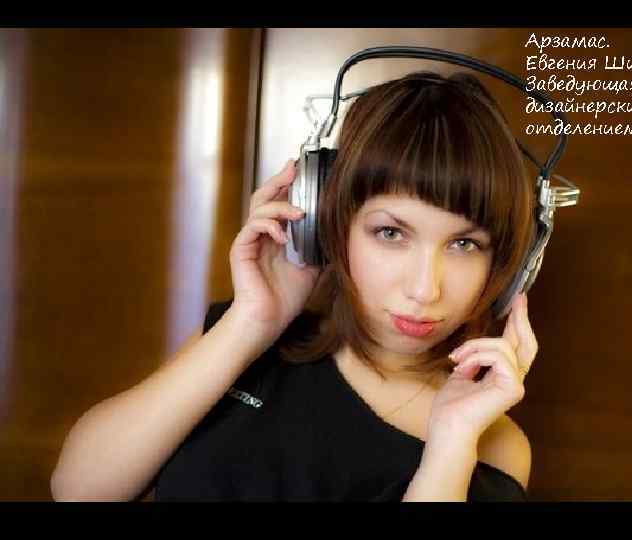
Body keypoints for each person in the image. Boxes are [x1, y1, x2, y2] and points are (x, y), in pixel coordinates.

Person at [51, 70, 538, 502]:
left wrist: (451, 444)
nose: (424, 289)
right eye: (391, 233)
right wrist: (251, 322)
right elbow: (78, 490)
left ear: (511, 263)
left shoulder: (490, 445)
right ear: (328, 224)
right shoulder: (246, 343)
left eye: (464, 244)